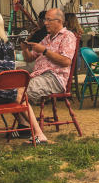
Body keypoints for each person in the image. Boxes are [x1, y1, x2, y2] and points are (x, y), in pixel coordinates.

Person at [23, 8, 76, 145]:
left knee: (19, 93)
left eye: (48, 20)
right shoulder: (47, 38)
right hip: (39, 76)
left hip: (55, 78)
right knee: (12, 89)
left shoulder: (68, 36)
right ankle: (25, 126)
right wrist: (24, 48)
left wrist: (45, 51)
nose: (45, 23)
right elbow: (30, 59)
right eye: (45, 20)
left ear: (59, 21)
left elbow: (66, 61)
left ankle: (35, 132)